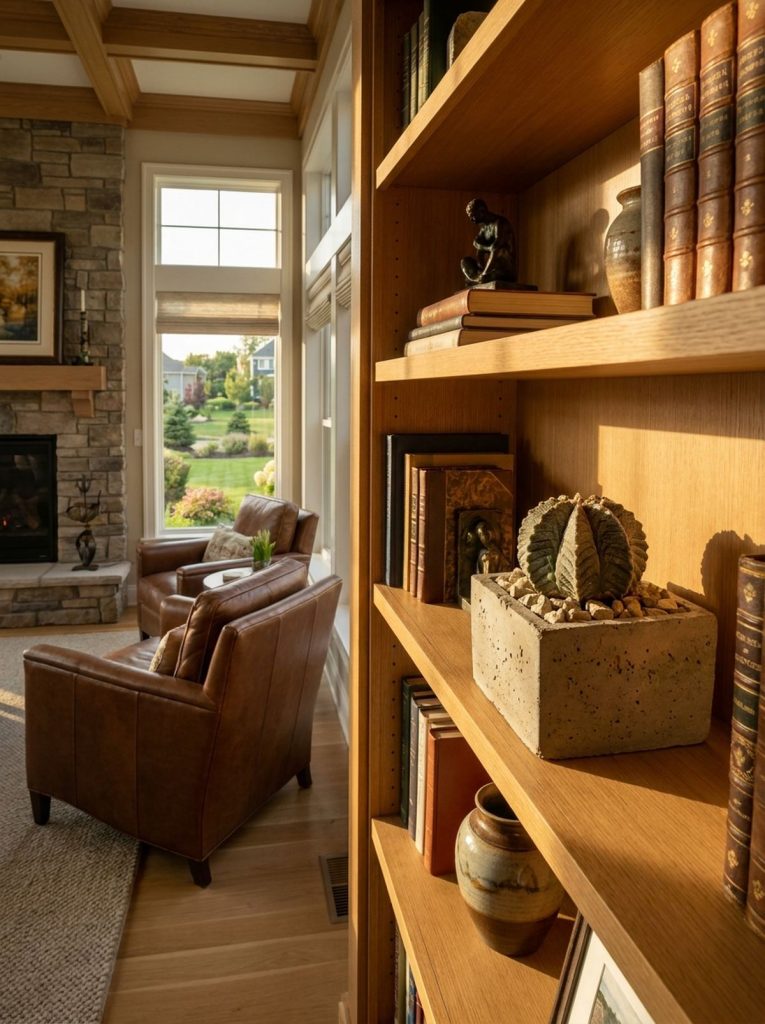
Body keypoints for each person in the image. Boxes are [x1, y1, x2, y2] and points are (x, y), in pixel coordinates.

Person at [460, 198, 517, 285]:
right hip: (490, 268)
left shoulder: (500, 223)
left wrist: (485, 273)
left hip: (503, 269)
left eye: (473, 216)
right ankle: (480, 278)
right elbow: (477, 245)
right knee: (465, 262)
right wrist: (482, 268)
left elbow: (495, 249)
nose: (472, 220)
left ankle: (480, 278)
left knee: (486, 277)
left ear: (482, 211)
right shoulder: (484, 227)